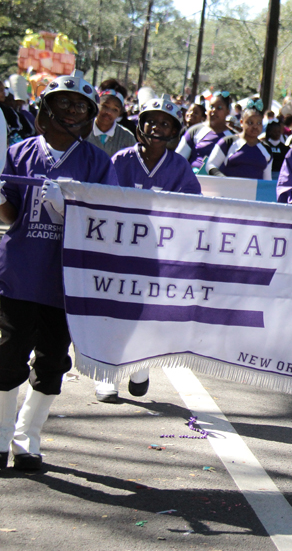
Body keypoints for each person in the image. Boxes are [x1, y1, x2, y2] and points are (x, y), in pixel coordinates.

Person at [0, 71, 117, 471]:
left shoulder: (97, 162)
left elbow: (109, 222)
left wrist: (72, 208)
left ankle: (27, 438)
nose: (71, 110)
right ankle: (0, 438)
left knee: (51, 363)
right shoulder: (17, 153)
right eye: (64, 102)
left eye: (80, 105)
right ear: (46, 108)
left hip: (66, 281)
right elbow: (10, 214)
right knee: (6, 358)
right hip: (18, 275)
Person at [96, 95, 201, 403]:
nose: (158, 127)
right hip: (121, 251)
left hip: (158, 256)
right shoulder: (121, 160)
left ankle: (140, 364)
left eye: (165, 123)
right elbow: (105, 201)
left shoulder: (179, 167)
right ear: (140, 126)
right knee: (114, 312)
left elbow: (193, 207)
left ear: (174, 132)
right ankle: (107, 375)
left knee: (147, 314)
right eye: (152, 121)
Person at [207, 102, 272, 180]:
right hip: (227, 190)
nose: (255, 127)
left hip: (253, 192)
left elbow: (267, 180)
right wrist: (224, 180)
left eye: (259, 123)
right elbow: (210, 165)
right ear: (241, 122)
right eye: (250, 123)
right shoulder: (228, 142)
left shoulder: (266, 149)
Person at [175, 91, 232, 171]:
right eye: (211, 107)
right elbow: (178, 161)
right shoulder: (194, 131)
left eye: (219, 108)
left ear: (227, 111)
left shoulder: (233, 137)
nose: (214, 111)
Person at [86, 80, 136, 157]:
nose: (109, 112)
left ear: (120, 113)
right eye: (105, 106)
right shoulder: (82, 131)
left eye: (115, 109)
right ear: (97, 104)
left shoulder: (127, 138)